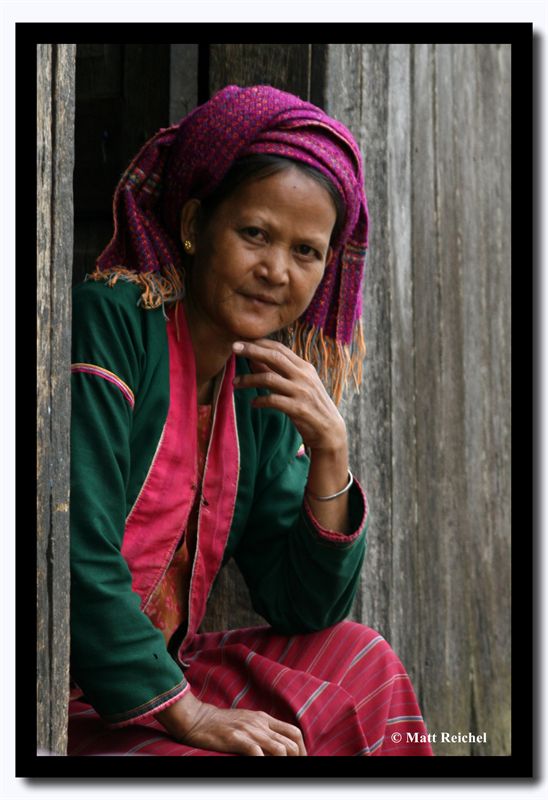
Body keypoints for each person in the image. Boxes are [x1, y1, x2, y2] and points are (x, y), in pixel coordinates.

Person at [67, 84, 434, 757]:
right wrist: (193, 718)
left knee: (365, 668)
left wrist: (329, 453)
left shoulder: (255, 380)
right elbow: (70, 553)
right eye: (255, 234)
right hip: (63, 695)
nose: (276, 271)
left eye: (306, 252)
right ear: (194, 224)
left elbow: (302, 605)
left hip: (166, 683)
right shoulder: (112, 324)